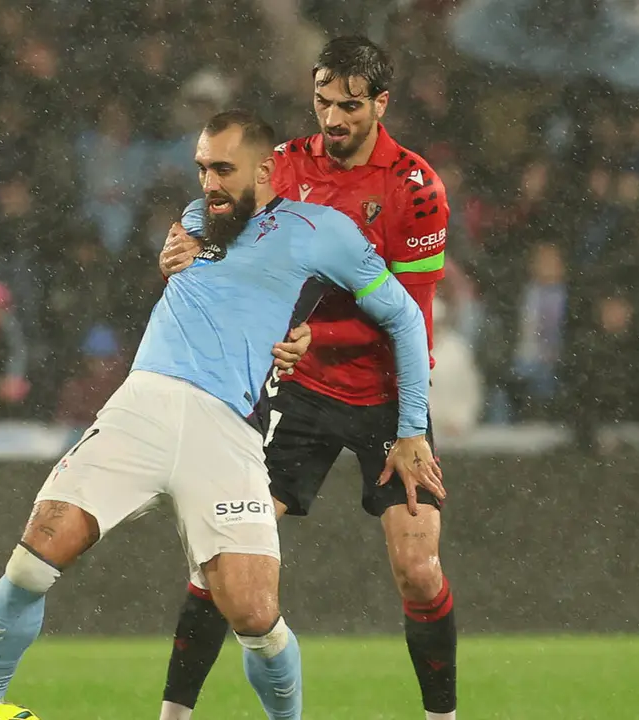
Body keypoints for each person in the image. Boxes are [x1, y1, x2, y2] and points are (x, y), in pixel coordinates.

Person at [0, 108, 444, 720]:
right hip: (143, 405)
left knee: (255, 614)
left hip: (227, 430)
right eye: (202, 167)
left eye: (223, 170)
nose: (208, 182)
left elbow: (403, 315)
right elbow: (215, 280)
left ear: (265, 171)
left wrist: (410, 424)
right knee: (34, 555)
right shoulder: (196, 222)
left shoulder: (325, 232)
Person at [157, 36, 457, 720]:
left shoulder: (414, 189)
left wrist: (412, 429)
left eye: (349, 106)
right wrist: (185, 232)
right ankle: (173, 715)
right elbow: (216, 203)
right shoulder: (285, 166)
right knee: (221, 557)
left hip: (385, 396)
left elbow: (413, 318)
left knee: (416, 571)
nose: (332, 119)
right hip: (298, 391)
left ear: (380, 103)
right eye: (322, 102)